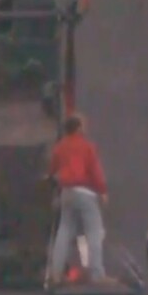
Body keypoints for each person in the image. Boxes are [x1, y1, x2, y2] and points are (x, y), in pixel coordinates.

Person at [48, 114, 113, 285]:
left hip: (67, 192)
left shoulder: (60, 147)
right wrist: (103, 191)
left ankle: (55, 274)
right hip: (85, 193)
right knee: (94, 232)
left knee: (64, 232)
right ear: (78, 128)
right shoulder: (87, 147)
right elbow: (94, 170)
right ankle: (97, 274)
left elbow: (53, 168)